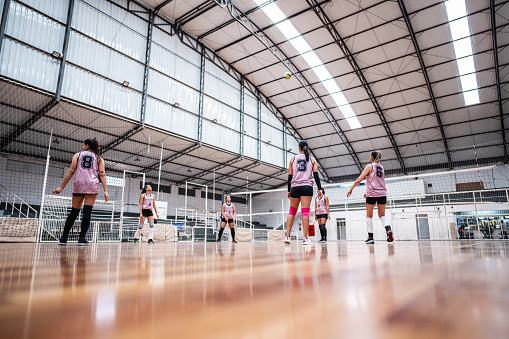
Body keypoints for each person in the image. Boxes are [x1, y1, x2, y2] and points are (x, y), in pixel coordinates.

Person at [54, 138, 108, 246]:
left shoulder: (77, 155)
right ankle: (82, 239)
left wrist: (61, 187)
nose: (82, 146)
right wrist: (106, 191)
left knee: (74, 212)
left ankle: (64, 238)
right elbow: (102, 174)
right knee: (87, 212)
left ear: (87, 145)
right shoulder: (99, 158)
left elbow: (71, 171)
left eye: (83, 145)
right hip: (92, 185)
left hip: (79, 184)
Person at [347, 150, 393, 244]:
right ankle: (388, 230)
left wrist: (351, 188)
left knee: (369, 215)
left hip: (372, 194)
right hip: (382, 193)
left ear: (372, 157)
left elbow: (359, 179)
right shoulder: (381, 167)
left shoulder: (370, 166)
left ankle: (370, 237)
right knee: (382, 215)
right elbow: (378, 181)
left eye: (370, 156)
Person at [285, 140, 323, 245]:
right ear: (307, 148)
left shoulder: (292, 159)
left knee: (292, 211)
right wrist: (320, 188)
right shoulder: (312, 160)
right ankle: (306, 238)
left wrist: (289, 190)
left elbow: (290, 176)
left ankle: (287, 236)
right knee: (305, 212)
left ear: (299, 148)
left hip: (295, 187)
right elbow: (316, 176)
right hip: (307, 187)